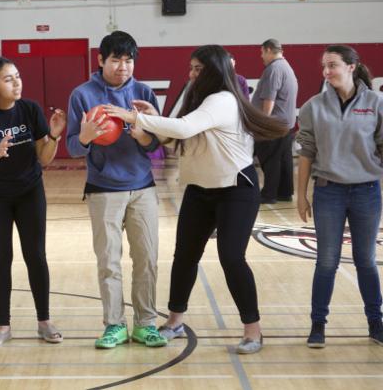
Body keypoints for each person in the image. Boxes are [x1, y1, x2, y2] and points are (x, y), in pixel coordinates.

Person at [106, 45, 288, 354]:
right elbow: (176, 135)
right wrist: (152, 119)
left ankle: (253, 331)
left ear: (215, 71)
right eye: (191, 68)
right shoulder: (200, 99)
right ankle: (175, 321)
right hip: (200, 190)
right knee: (185, 257)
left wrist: (134, 116)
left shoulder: (224, 100)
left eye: (198, 69)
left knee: (232, 257)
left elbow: (186, 127)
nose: (191, 74)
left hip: (235, 189)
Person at [66, 31, 167, 349]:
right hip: (103, 190)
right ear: (100, 60)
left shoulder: (144, 92)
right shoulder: (82, 95)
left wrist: (142, 135)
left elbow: (155, 146)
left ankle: (146, 324)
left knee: (147, 258)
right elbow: (71, 147)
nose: (123, 67)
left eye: (128, 60)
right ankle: (114, 325)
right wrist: (85, 136)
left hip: (142, 188)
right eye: (116, 60)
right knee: (109, 262)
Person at [0, 56, 66, 347]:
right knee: (1, 259)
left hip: (29, 192)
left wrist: (54, 136)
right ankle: (3, 326)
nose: (17, 82)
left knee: (36, 255)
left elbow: (43, 159)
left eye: (18, 76)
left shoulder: (30, 110)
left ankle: (44, 322)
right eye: (8, 79)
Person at [296, 45, 383, 349]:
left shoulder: (376, 103)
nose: (326, 71)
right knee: (326, 262)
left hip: (367, 191)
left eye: (332, 65)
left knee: (366, 261)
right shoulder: (313, 107)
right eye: (324, 66)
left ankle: (376, 323)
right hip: (328, 192)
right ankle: (318, 325)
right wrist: (301, 195)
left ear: (352, 66)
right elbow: (306, 152)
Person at [252, 38, 298, 204]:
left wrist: (263, 122)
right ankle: (284, 192)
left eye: (262, 53)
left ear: (269, 49)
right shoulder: (286, 67)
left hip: (274, 123)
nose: (261, 57)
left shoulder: (274, 69)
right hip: (286, 123)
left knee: (270, 159)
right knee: (283, 159)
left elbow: (269, 97)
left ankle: (269, 194)